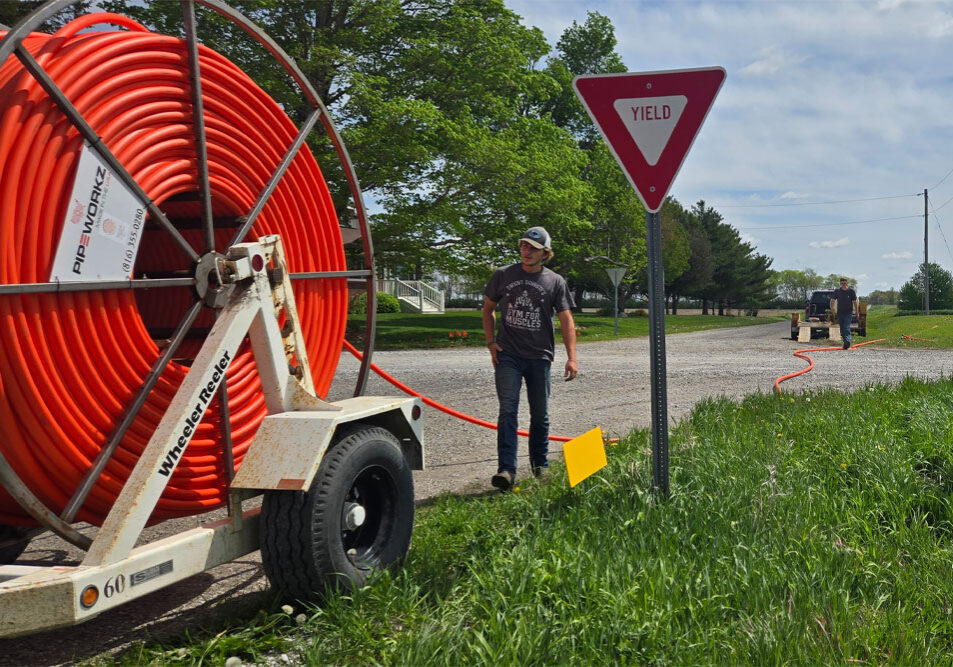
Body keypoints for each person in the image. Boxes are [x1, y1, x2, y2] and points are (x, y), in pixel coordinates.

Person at [482, 226, 577, 491]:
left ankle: (540, 467)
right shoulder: (503, 275)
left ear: (545, 253)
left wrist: (572, 358)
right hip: (508, 355)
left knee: (540, 415)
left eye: (533, 248)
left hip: (540, 357)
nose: (526, 251)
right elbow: (488, 309)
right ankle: (506, 471)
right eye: (523, 245)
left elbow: (566, 320)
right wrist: (491, 342)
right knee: (508, 412)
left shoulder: (555, 282)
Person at [832, 277, 859, 349]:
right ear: (840, 283)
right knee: (842, 328)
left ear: (847, 283)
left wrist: (856, 312)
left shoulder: (851, 291)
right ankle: (846, 343)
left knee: (846, 327)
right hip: (840, 312)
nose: (843, 284)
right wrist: (832, 308)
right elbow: (833, 300)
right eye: (842, 283)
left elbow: (855, 302)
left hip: (848, 313)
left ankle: (847, 340)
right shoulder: (837, 291)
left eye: (845, 283)